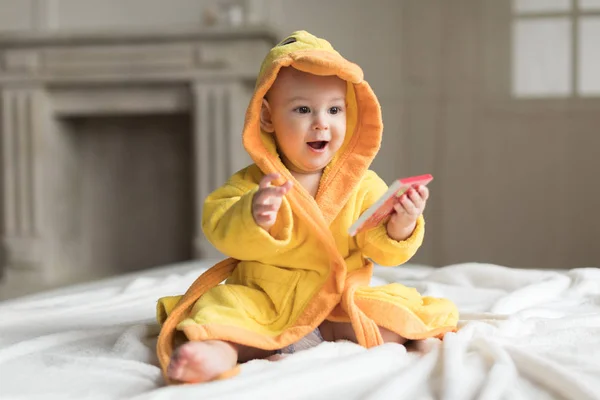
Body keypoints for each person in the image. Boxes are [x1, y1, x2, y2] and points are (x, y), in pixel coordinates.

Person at [156, 30, 459, 385]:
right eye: (303, 109)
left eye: (334, 109)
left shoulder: (363, 184)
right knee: (224, 314)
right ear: (267, 118)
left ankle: (364, 335)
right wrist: (254, 216)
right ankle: (217, 353)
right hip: (266, 297)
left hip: (336, 301)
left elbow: (381, 251)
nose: (321, 122)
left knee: (398, 313)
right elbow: (219, 226)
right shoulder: (253, 183)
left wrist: (401, 225)